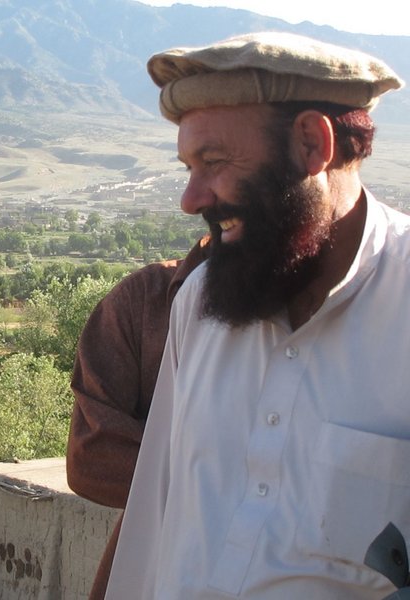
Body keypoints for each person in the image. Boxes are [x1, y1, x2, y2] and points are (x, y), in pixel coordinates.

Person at [105, 31, 410, 599]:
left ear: (313, 145)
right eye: (188, 167)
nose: (191, 199)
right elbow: (151, 529)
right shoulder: (198, 303)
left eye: (214, 161)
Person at [66, 236, 208, 600]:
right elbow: (90, 458)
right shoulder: (146, 301)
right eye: (194, 174)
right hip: (155, 575)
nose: (191, 201)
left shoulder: (365, 314)